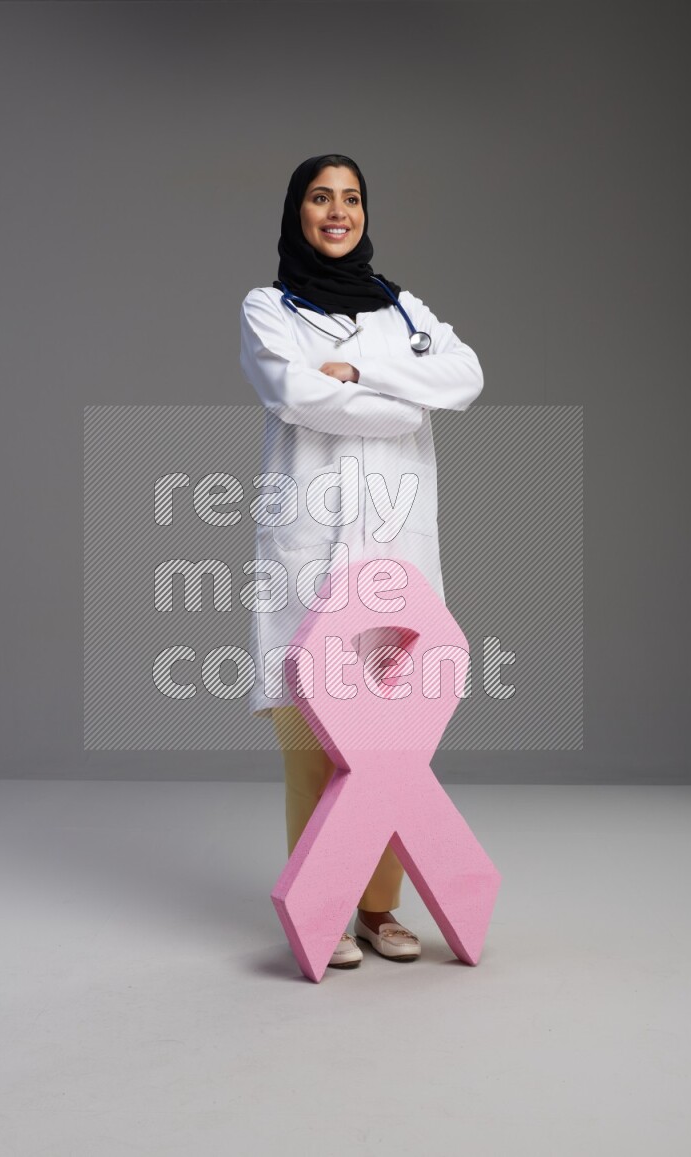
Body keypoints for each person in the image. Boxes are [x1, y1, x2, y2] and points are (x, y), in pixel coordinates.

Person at [239, 154, 484, 970]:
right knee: (310, 735)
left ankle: (380, 910)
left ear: (364, 213)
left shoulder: (400, 307)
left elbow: (466, 376)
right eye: (320, 197)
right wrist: (408, 397)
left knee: (390, 739)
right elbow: (297, 394)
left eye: (350, 198)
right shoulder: (268, 308)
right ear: (297, 212)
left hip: (394, 544)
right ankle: (328, 907)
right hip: (309, 543)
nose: (336, 211)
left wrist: (369, 368)